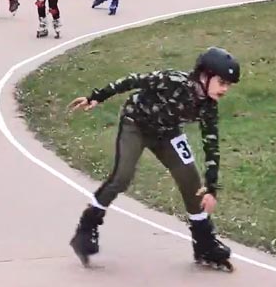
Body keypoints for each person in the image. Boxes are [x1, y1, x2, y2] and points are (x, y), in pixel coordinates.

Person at [67, 47, 241, 270]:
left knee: (191, 182)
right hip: (136, 125)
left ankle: (204, 242)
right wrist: (96, 97)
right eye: (222, 82)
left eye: (229, 85)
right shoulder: (172, 81)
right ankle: (86, 228)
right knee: (122, 176)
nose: (225, 89)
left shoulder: (208, 106)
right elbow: (133, 81)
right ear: (204, 75)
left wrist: (211, 188)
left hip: (167, 133)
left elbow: (211, 145)